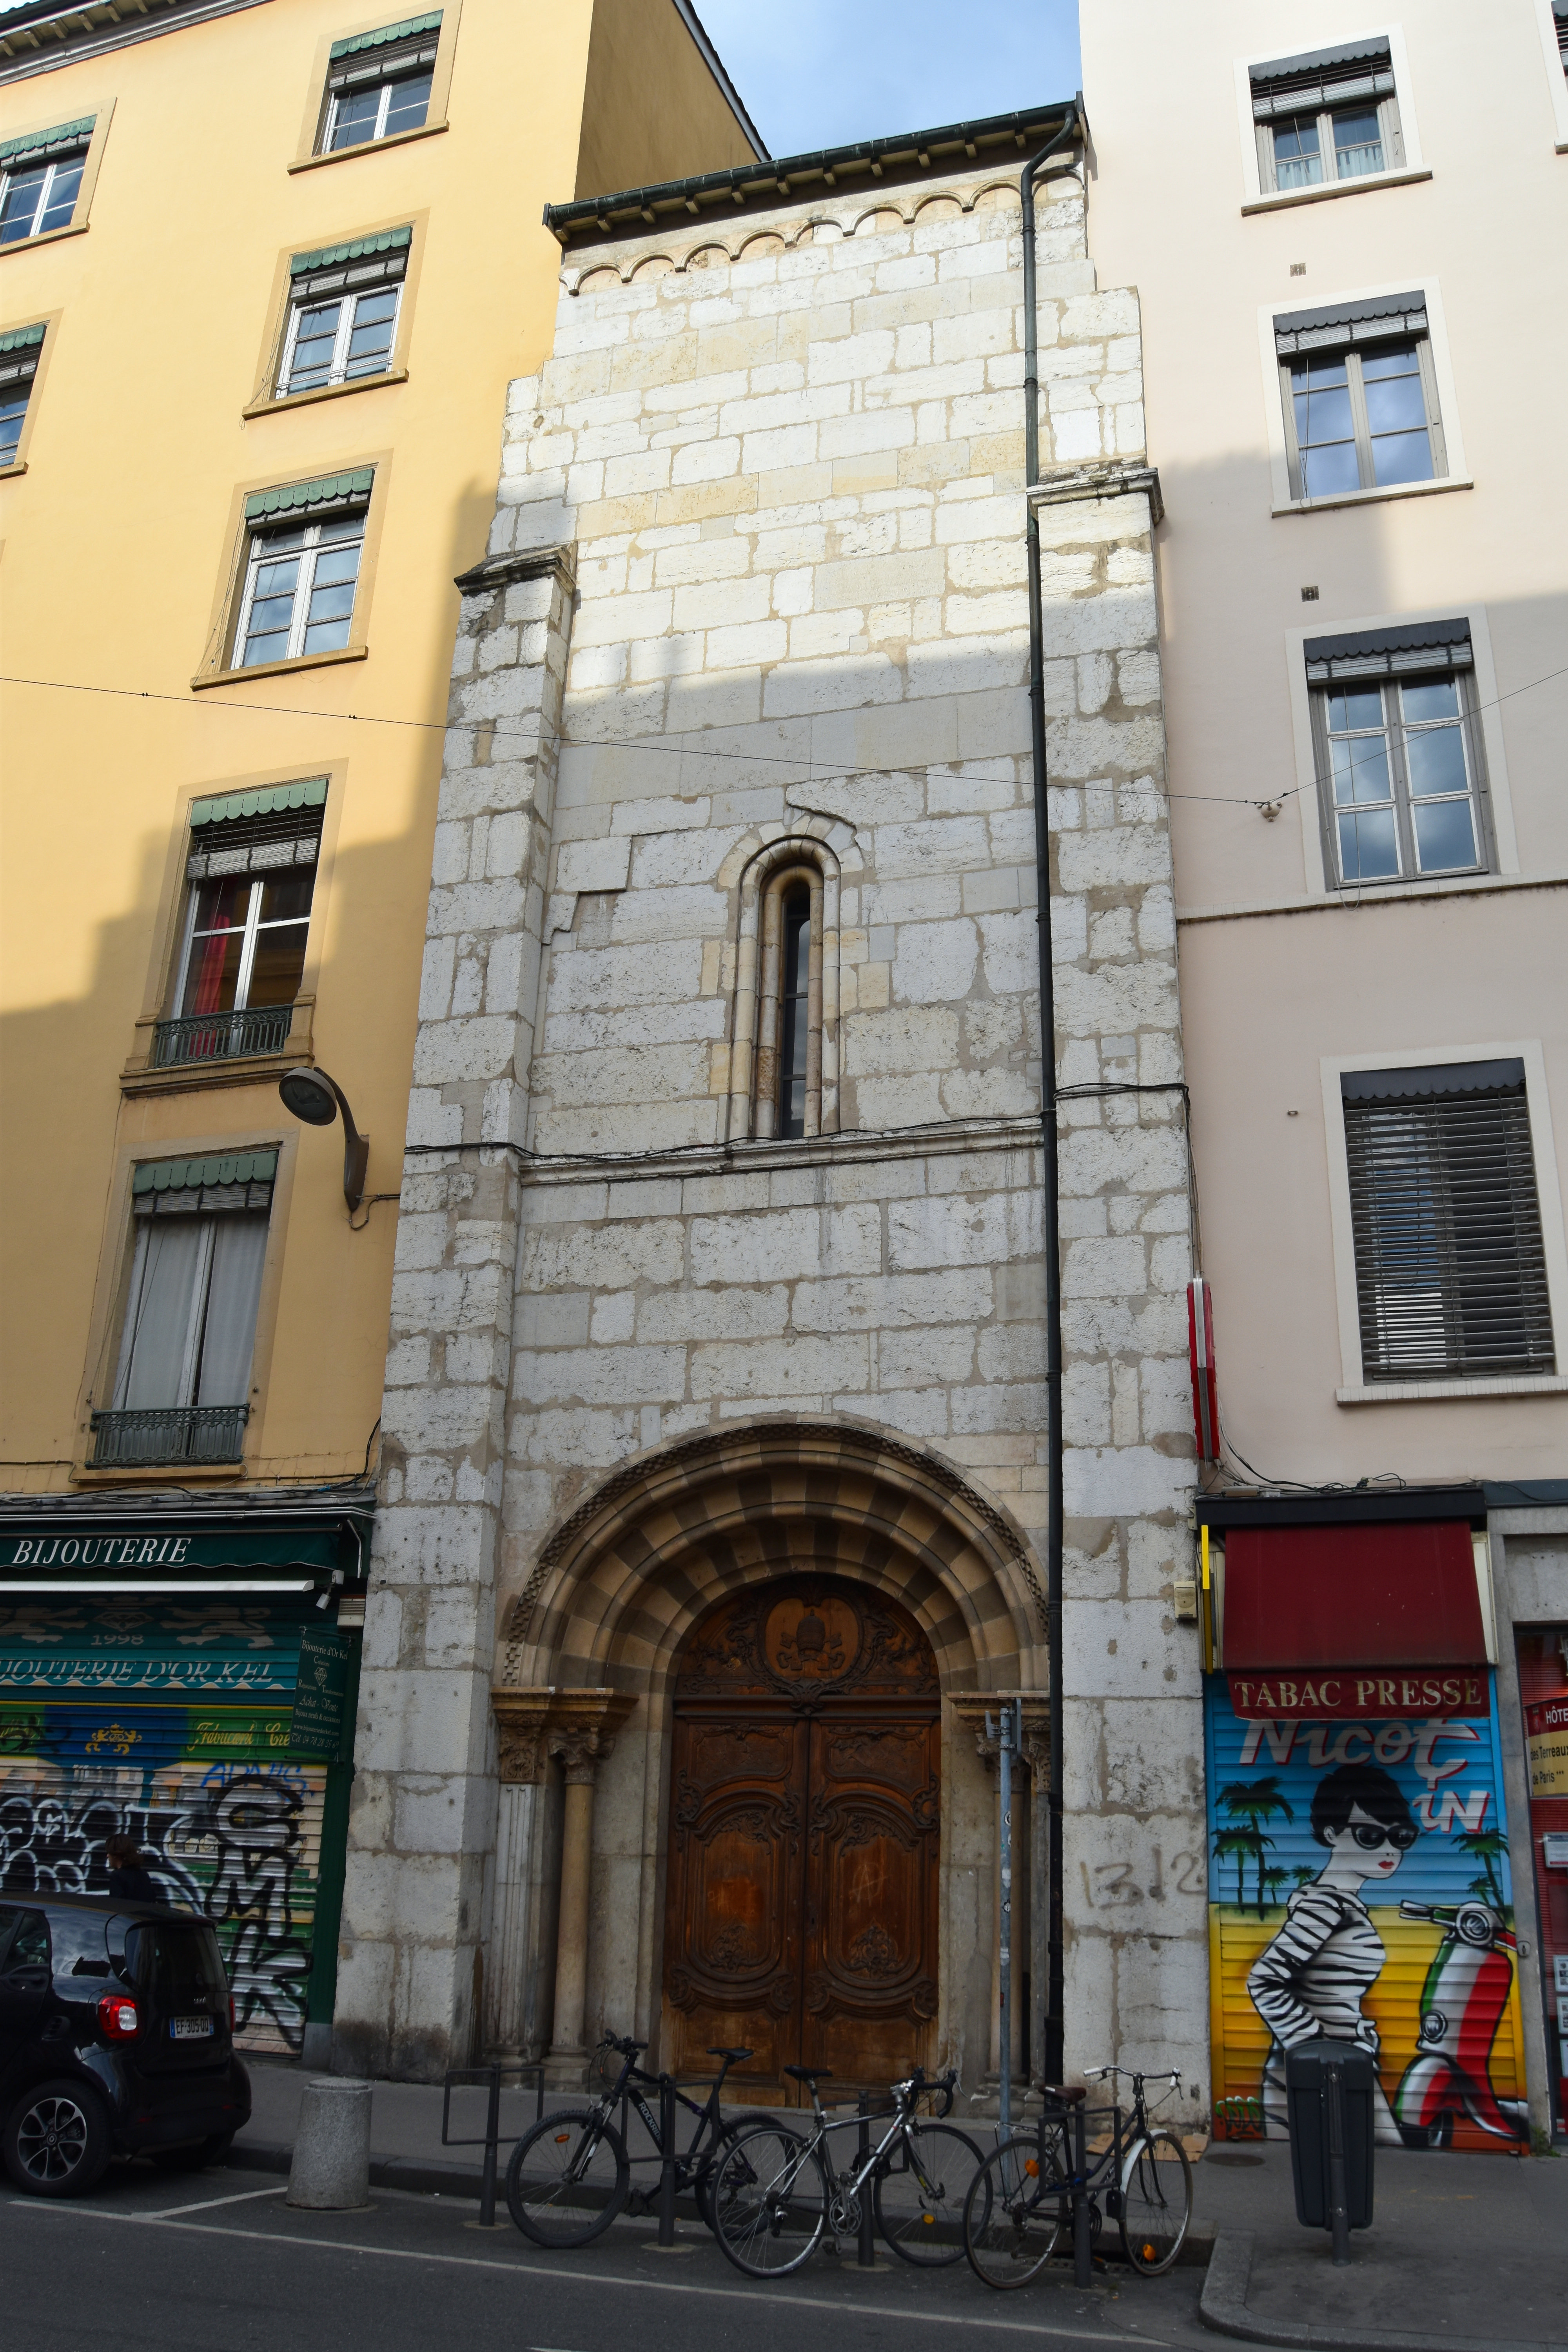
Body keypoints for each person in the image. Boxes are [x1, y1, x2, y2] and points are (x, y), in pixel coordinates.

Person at [1246, 1760, 1417, 2145]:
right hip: (1318, 2071)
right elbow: (1265, 1980)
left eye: (1401, 1836)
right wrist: (1314, 2045)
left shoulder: (1342, 1905)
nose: (1389, 1848)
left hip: (1337, 2066)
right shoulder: (1325, 1906)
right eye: (1370, 1836)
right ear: (1331, 1833)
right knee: (1360, 2167)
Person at [104, 1833, 163, 1904]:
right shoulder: (143, 1874)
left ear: (115, 1854)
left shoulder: (117, 1876)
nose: (107, 1856)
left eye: (109, 1852)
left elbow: (117, 1905)